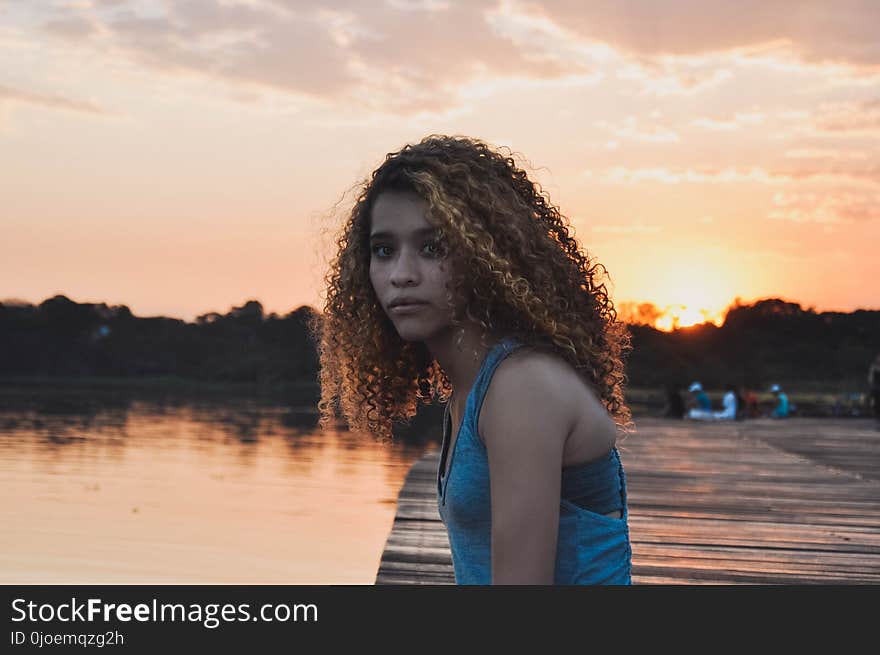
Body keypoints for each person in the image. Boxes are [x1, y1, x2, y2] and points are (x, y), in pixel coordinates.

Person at [310, 135, 632, 585]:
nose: (401, 274)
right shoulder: (477, 386)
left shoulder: (522, 387)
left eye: (432, 247)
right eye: (384, 250)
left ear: (486, 254)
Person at [869, 354, 880, 423]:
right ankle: (877, 415)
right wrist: (871, 383)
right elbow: (870, 377)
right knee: (876, 401)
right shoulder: (873, 367)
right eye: (878, 358)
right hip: (876, 386)